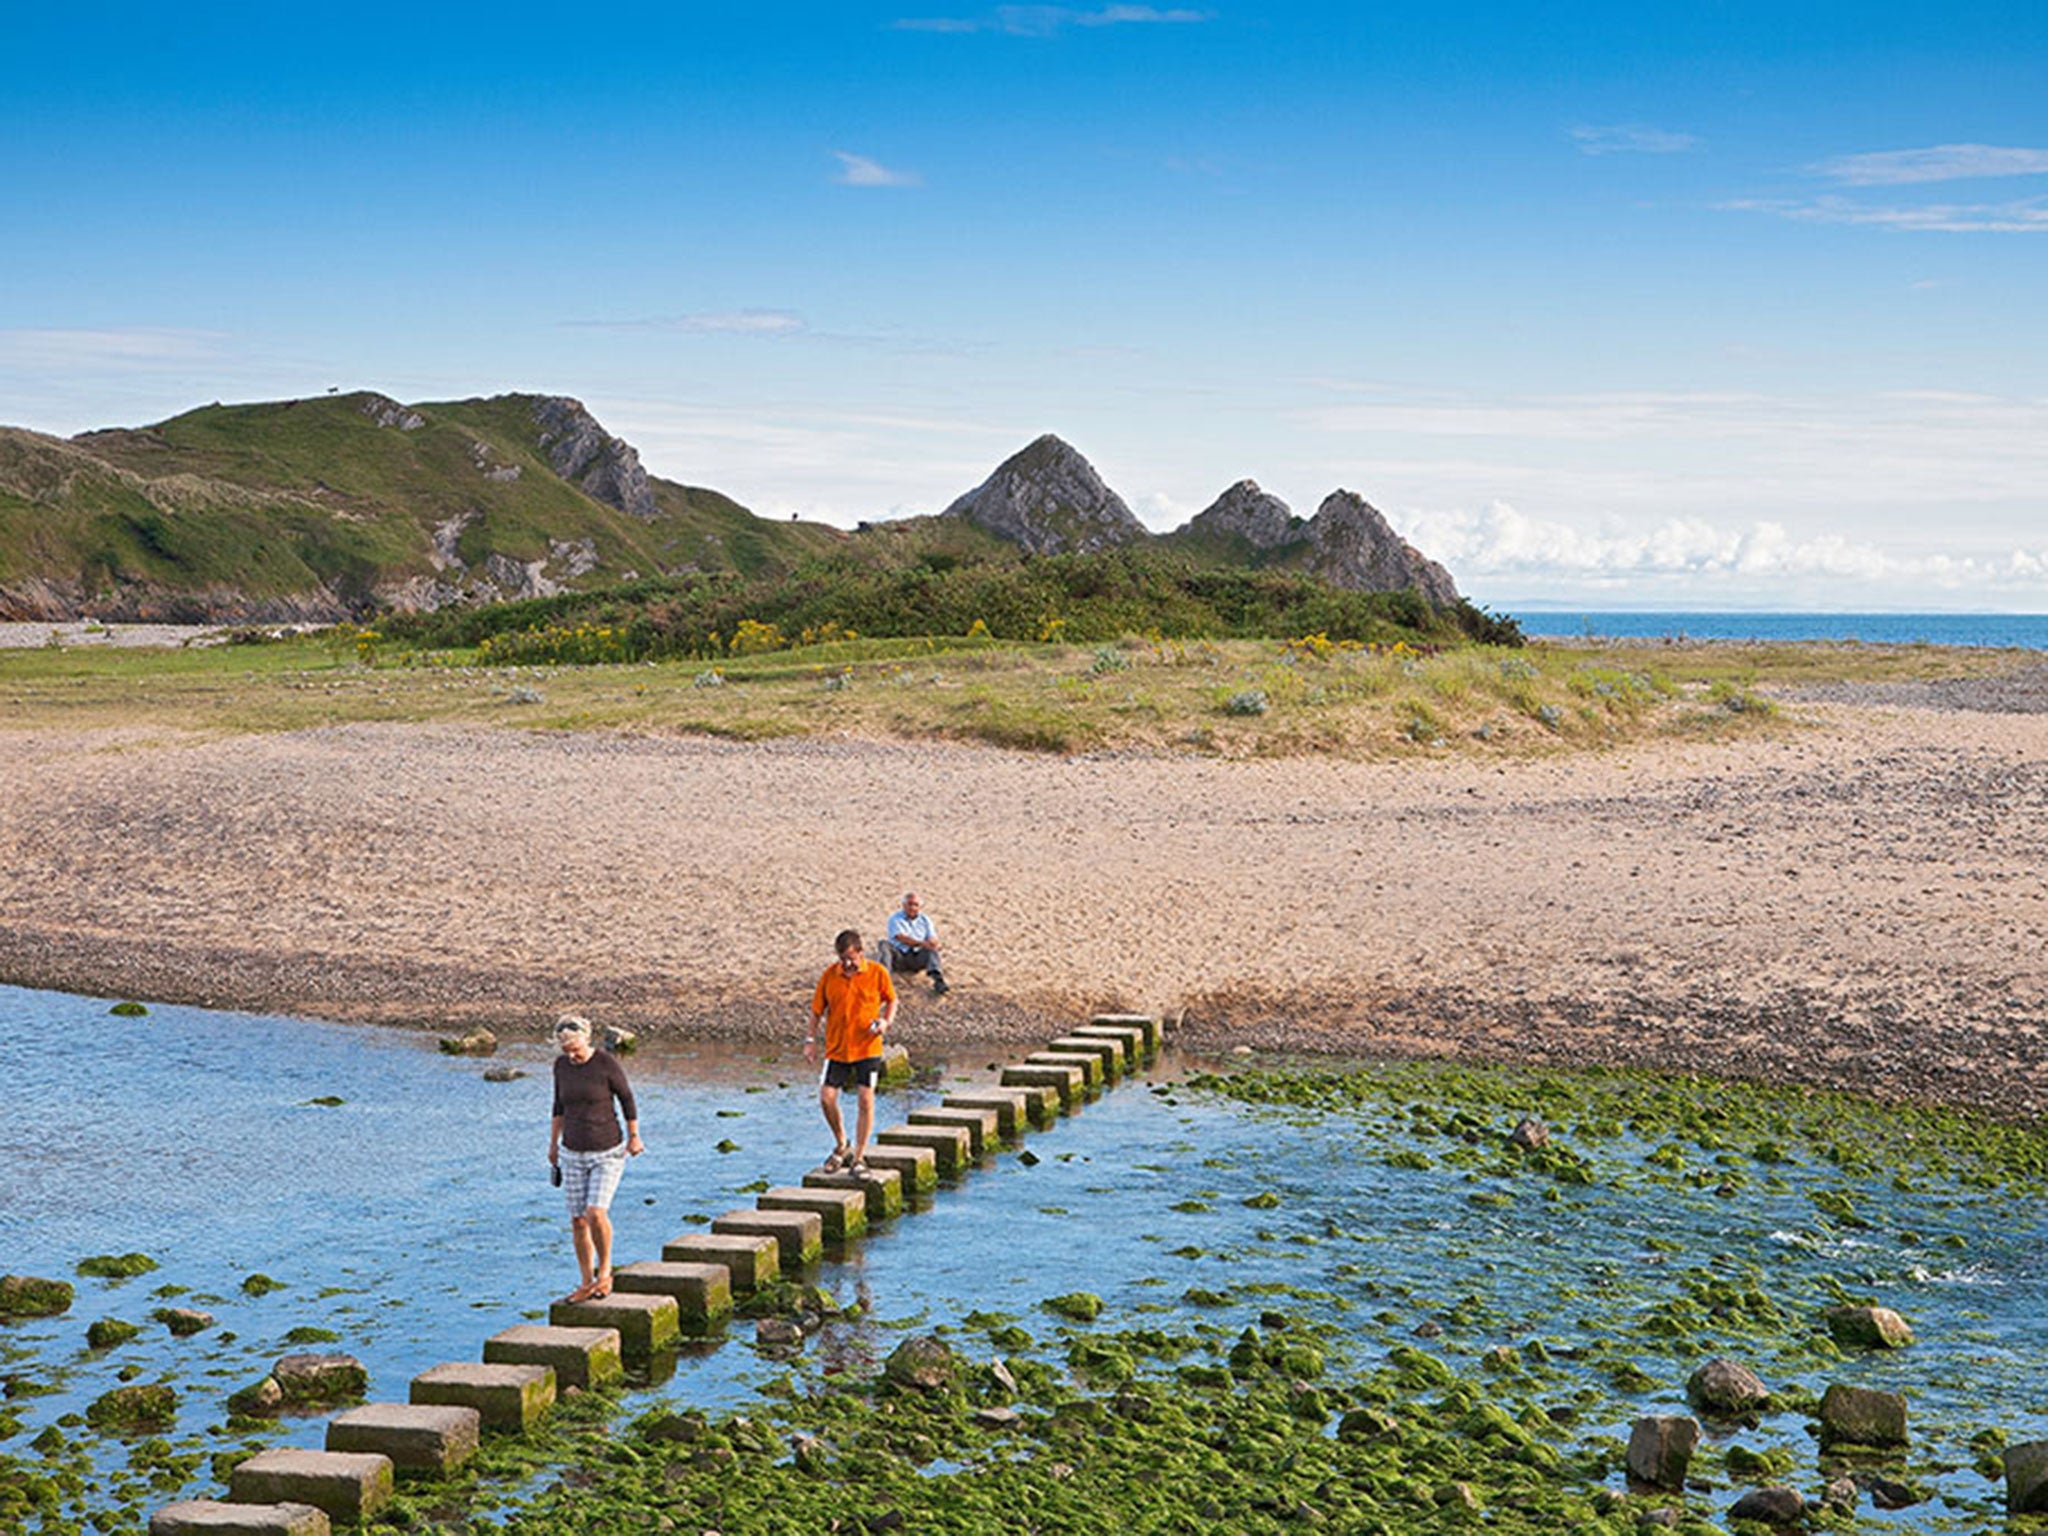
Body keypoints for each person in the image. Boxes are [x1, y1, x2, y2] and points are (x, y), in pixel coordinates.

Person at [547, 1015, 642, 1303]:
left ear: (586, 1039)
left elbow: (626, 1098)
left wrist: (634, 1135)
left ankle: (605, 1274)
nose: (572, 1055)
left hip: (608, 1150)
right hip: (572, 1150)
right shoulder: (561, 1066)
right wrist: (553, 1145)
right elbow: (558, 1105)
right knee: (577, 1220)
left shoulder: (605, 1063)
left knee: (595, 1213)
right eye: (566, 1050)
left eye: (575, 1048)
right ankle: (586, 1281)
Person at [805, 929, 897, 1174]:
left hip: (868, 1048)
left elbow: (892, 1000)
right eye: (842, 958)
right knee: (827, 1098)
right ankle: (841, 1144)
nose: (846, 963)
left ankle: (858, 1157)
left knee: (865, 1100)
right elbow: (816, 1011)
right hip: (837, 1049)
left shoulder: (877, 973)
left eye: (850, 958)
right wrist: (810, 1040)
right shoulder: (829, 976)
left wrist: (885, 1022)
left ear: (860, 952)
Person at [884, 890, 949, 995]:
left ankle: (938, 980)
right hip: (900, 956)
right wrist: (922, 943)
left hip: (917, 956)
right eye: (909, 904)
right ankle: (883, 978)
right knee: (883, 944)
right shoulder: (895, 918)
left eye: (915, 905)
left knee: (932, 950)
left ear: (920, 907)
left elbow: (932, 937)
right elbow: (900, 937)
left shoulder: (925, 920)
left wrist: (933, 943)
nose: (912, 907)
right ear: (903, 905)